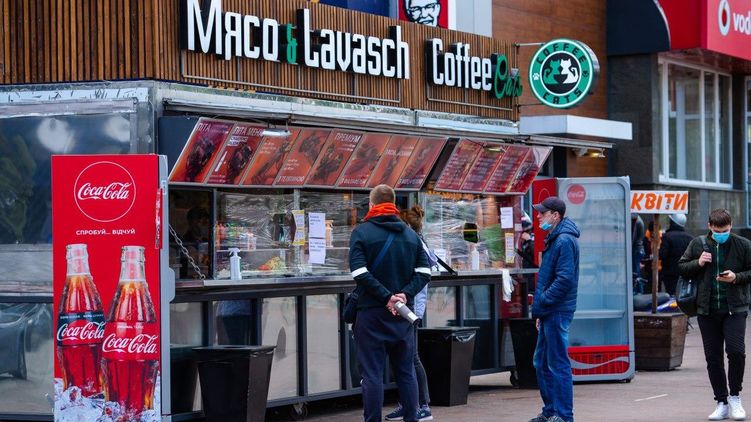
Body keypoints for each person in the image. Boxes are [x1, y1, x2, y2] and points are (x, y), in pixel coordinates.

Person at [349, 185, 431, 422]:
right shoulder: (411, 235)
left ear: (372, 204)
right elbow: (425, 272)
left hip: (371, 314)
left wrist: (387, 297)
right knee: (406, 372)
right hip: (402, 315)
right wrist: (403, 295)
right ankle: (412, 418)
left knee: (372, 374)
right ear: (394, 204)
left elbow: (359, 272)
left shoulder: (361, 233)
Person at [679, 209, 751, 421]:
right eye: (718, 231)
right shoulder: (697, 244)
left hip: (735, 308)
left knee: (736, 352)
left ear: (731, 226)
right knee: (713, 357)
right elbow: (682, 267)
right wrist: (698, 262)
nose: (721, 234)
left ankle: (735, 397)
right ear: (709, 226)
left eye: (725, 230)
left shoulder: (743, 245)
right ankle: (721, 402)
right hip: (706, 309)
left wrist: (736, 277)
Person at [528, 197, 580, 422]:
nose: (539, 216)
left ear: (555, 215)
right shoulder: (557, 237)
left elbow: (564, 279)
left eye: (543, 212)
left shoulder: (564, 240)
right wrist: (541, 309)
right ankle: (551, 411)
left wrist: (544, 302)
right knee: (541, 362)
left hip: (557, 310)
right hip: (550, 310)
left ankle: (563, 415)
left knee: (557, 364)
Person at [385, 206, 434, 421]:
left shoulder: (414, 243)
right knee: (406, 356)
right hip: (409, 306)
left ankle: (421, 405)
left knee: (411, 357)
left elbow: (421, 277)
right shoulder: (415, 241)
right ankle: (410, 404)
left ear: (406, 225)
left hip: (410, 308)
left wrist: (407, 298)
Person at [659, 213, 693, 295]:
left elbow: (662, 255)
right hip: (685, 272)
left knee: (671, 295)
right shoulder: (690, 238)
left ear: (672, 222)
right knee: (683, 295)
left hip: (670, 274)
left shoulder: (667, 237)